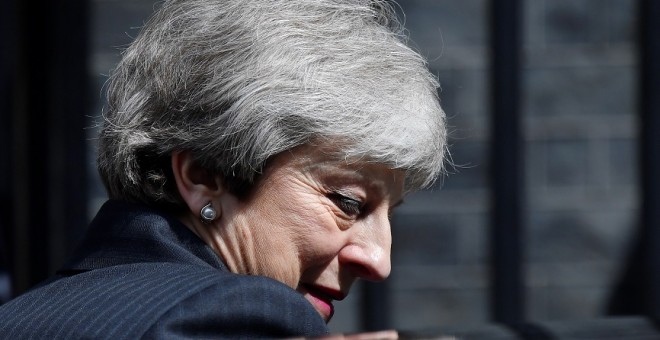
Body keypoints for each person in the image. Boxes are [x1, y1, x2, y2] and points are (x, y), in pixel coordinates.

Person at [0, 0, 446, 338]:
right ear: (204, 175)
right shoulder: (238, 313)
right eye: (347, 202)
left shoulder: (21, 316)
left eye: (390, 212)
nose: (378, 260)